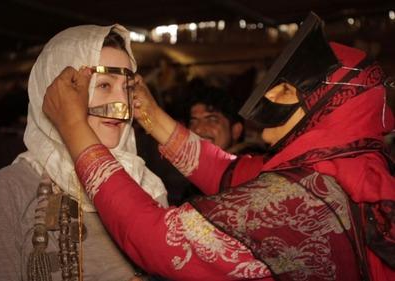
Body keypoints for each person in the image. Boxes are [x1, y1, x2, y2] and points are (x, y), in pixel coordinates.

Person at [43, 13, 394, 281]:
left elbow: (158, 239)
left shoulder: (305, 196)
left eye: (289, 93)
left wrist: (74, 128)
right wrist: (151, 115)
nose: (271, 96)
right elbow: (228, 172)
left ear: (327, 111)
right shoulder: (349, 166)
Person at [0, 24, 168, 281]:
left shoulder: (148, 186)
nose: (122, 103)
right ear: (56, 92)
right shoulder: (13, 186)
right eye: (104, 86)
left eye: (128, 88)